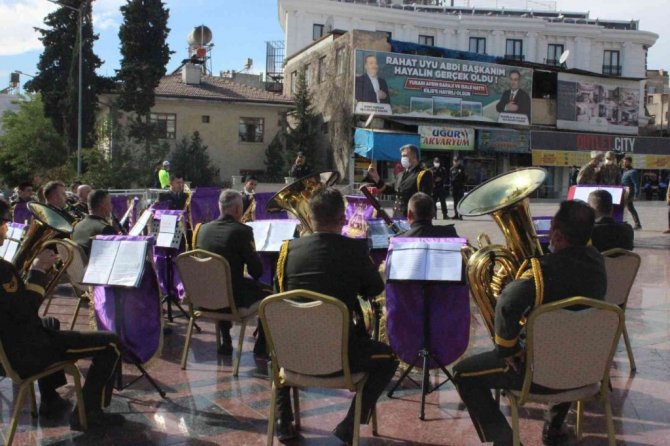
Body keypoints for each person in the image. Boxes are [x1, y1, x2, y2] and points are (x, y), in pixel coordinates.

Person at [453, 200, 607, 446]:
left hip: (539, 374)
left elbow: (507, 304)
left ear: (557, 235)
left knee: (463, 374)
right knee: (570, 341)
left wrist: (508, 349)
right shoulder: (598, 263)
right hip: (585, 368)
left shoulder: (541, 272)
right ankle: (554, 427)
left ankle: (505, 441)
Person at [274, 188, 398, 443]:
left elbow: (279, 296)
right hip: (342, 359)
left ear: (310, 217)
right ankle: (349, 425)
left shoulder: (287, 251)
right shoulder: (354, 250)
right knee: (388, 359)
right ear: (343, 219)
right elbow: (375, 289)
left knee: (275, 351)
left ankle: (282, 420)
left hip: (293, 356)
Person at [0, 198, 125, 429]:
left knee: (50, 321)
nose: (6, 230)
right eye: (3, 224)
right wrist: (38, 271)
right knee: (112, 343)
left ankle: (50, 399)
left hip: (10, 344)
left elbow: (13, 309)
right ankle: (89, 412)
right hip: (23, 353)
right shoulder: (3, 270)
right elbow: (26, 311)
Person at [195, 189, 269, 355]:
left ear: (220, 207)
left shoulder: (202, 230)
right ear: (237, 209)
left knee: (219, 280)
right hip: (231, 302)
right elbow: (256, 272)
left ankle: (226, 340)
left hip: (203, 298)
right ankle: (261, 346)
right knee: (270, 294)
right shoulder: (242, 231)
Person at [366, 144, 433, 218]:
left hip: (413, 217)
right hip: (397, 216)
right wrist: (376, 177)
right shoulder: (400, 175)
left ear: (414, 157)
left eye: (405, 156)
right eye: (402, 156)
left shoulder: (423, 174)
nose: (402, 158)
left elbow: (425, 201)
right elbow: (389, 189)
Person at [72, 189, 117, 257]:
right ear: (102, 206)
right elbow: (114, 256)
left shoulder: (77, 225)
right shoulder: (105, 228)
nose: (112, 206)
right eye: (110, 202)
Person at [621, 156, 642, 230]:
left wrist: (636, 194)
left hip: (629, 193)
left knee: (625, 208)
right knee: (630, 208)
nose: (624, 163)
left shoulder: (633, 172)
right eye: (623, 162)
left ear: (629, 162)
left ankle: (622, 222)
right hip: (624, 192)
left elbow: (636, 183)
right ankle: (637, 224)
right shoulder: (625, 171)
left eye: (625, 162)